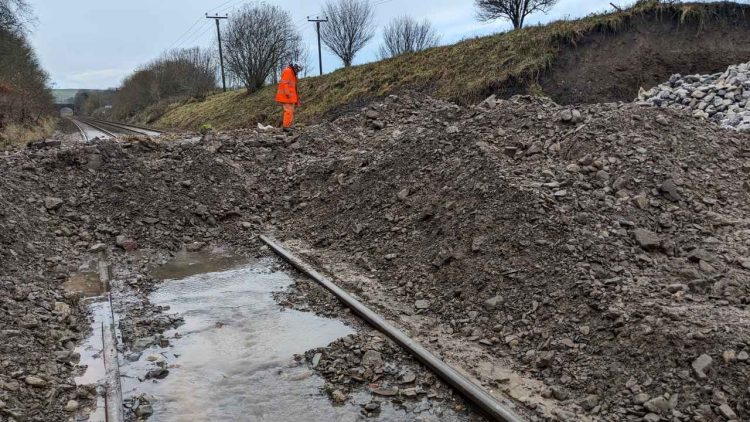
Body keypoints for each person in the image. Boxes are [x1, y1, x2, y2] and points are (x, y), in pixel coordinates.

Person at [275, 63, 301, 130]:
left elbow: (293, 87)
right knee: (288, 111)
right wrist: (288, 94)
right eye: (298, 70)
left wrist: (296, 99)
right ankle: (286, 126)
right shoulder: (288, 71)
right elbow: (285, 83)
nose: (298, 71)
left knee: (291, 111)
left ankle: (288, 125)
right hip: (286, 96)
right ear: (295, 67)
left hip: (290, 97)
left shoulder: (292, 73)